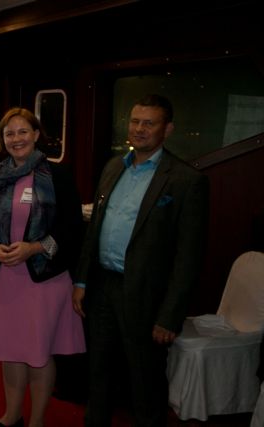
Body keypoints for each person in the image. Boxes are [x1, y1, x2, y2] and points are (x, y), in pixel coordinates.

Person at [72, 94, 210, 426]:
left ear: (167, 129)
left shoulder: (186, 181)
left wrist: (170, 317)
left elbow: (189, 258)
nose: (139, 129)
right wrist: (82, 280)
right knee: (98, 373)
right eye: (135, 121)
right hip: (102, 288)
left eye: (149, 123)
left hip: (147, 297)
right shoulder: (113, 167)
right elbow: (95, 229)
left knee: (145, 381)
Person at [0, 107, 86, 427]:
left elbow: (72, 227)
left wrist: (34, 248)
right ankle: (12, 416)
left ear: (36, 135)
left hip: (44, 277)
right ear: (2, 139)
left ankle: (36, 422)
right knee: (10, 349)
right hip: (4, 276)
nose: (16, 138)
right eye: (10, 133)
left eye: (23, 132)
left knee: (39, 352)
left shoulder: (58, 176)